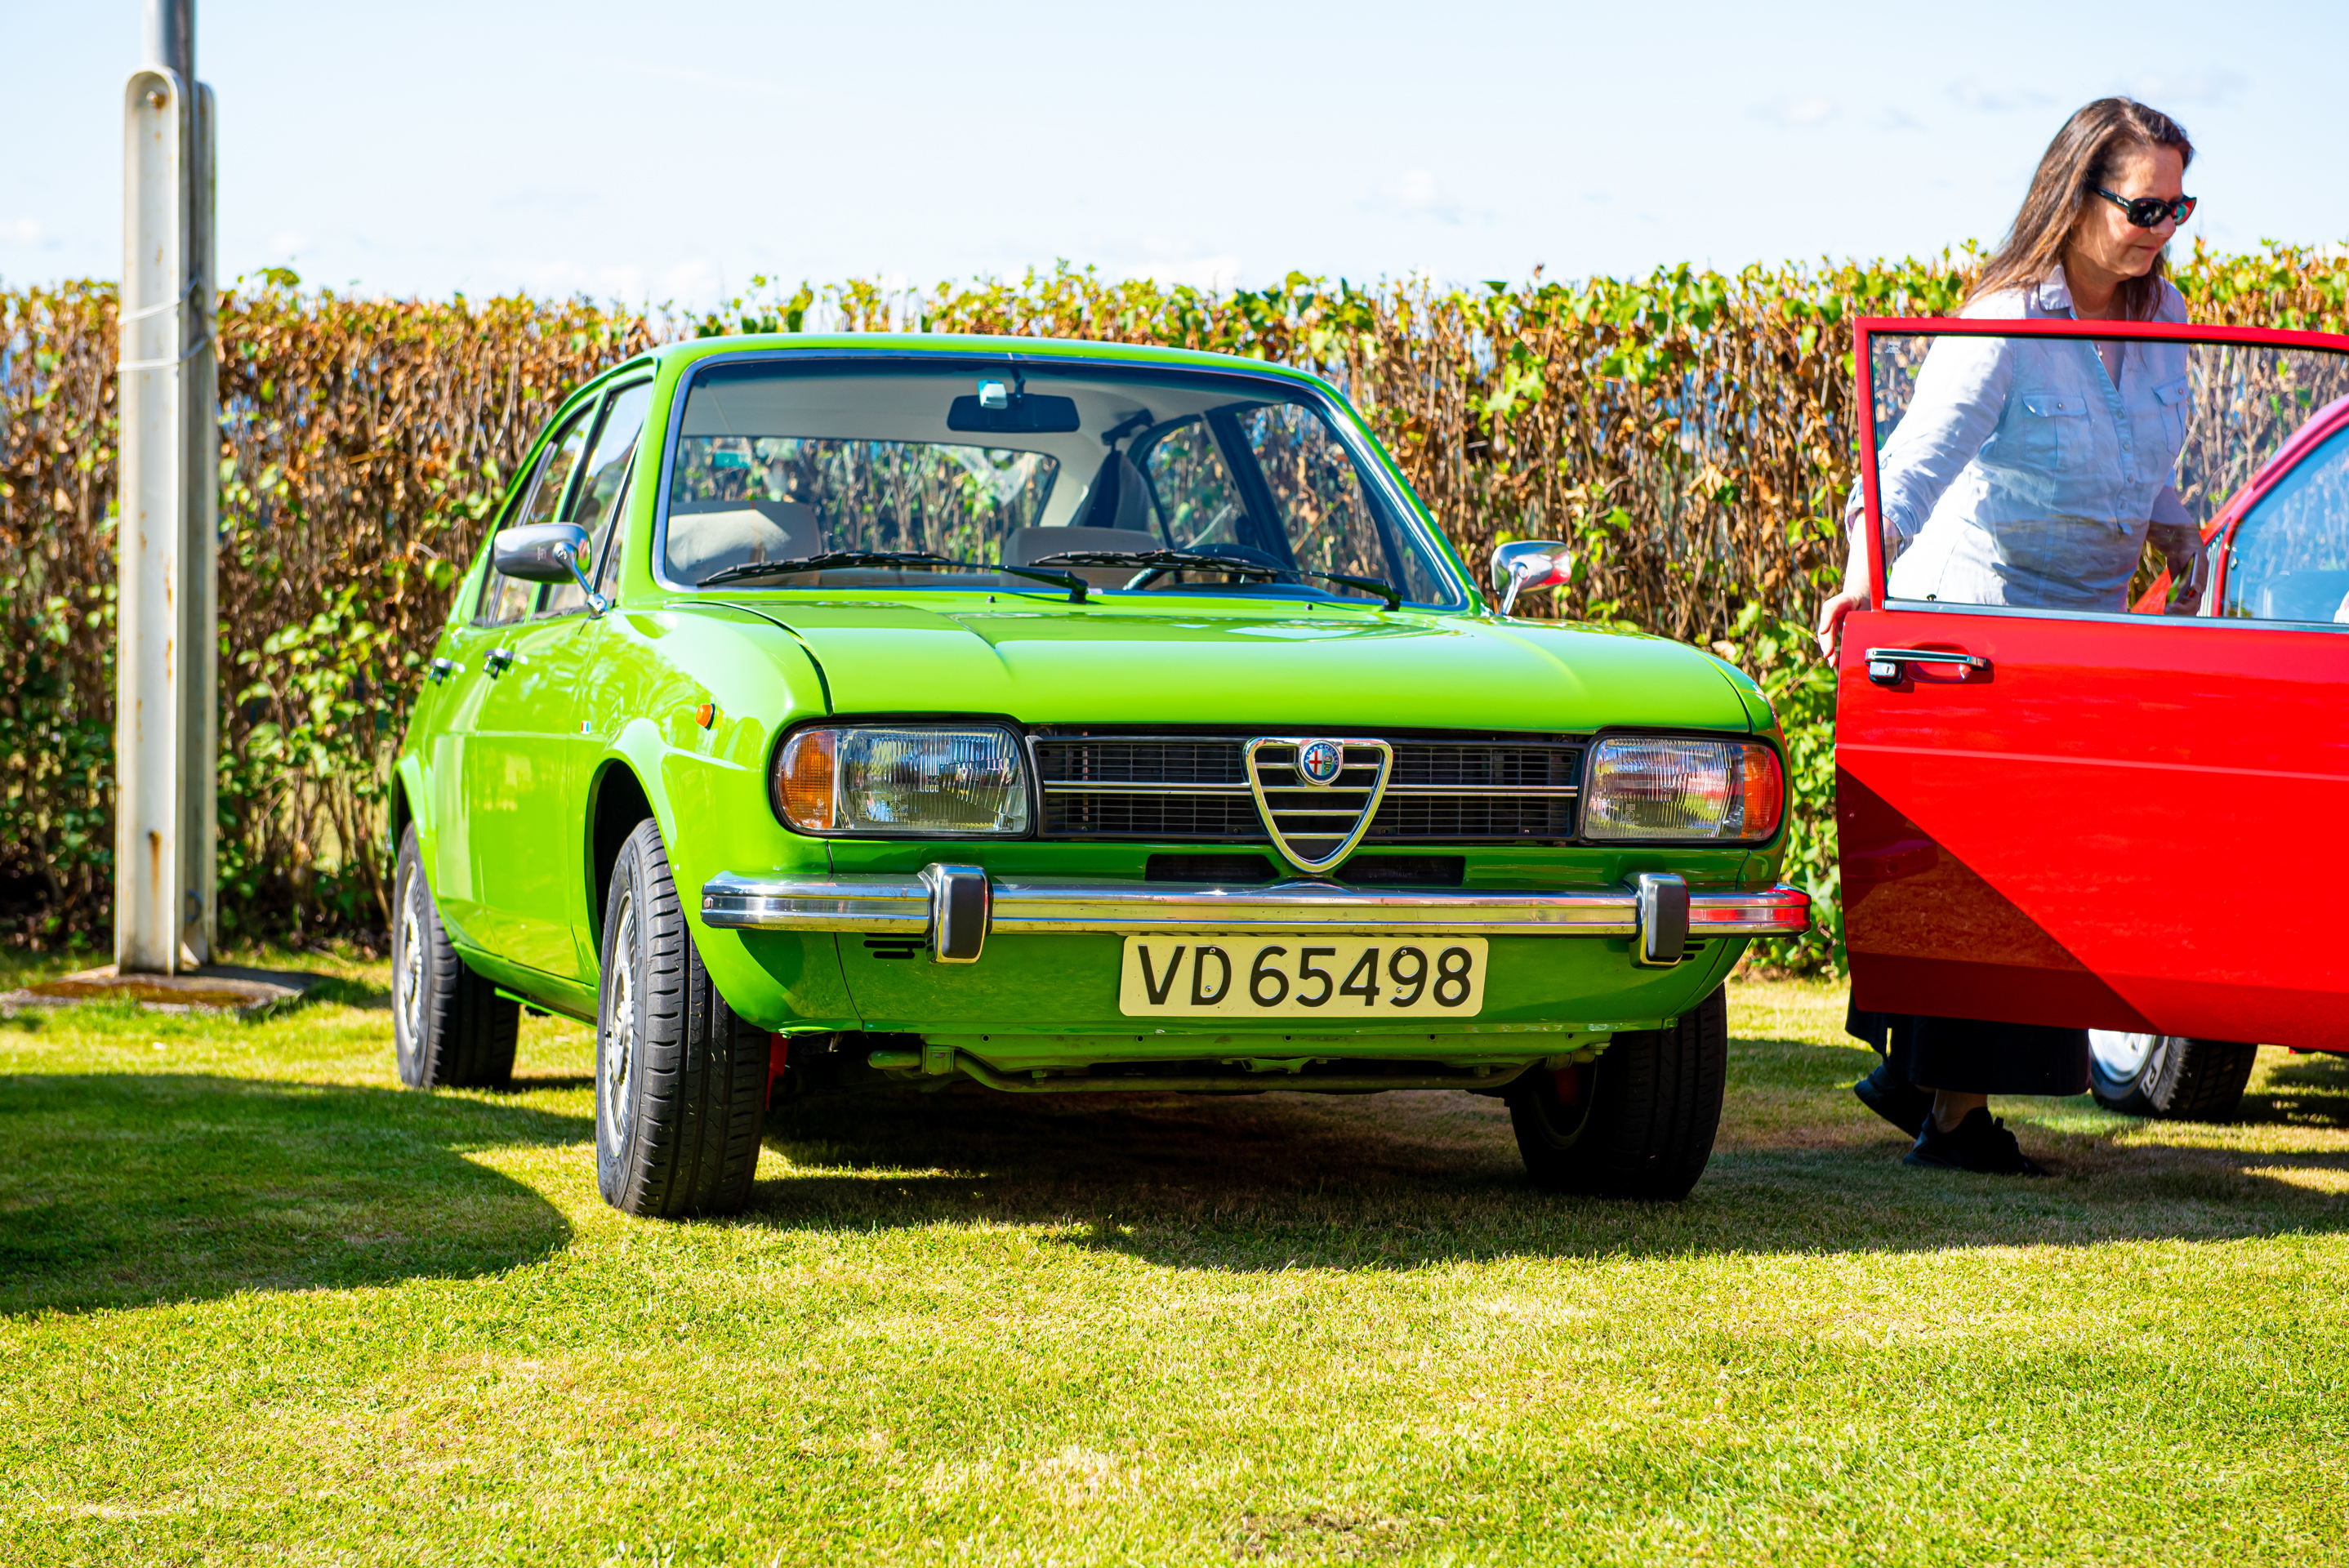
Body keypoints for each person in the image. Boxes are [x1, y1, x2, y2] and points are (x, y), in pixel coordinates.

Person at [1815, 97, 2205, 1175]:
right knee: (1996, 876)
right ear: (2078, 196)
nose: (2161, 228)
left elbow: (2140, 457)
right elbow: (1910, 468)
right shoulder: (2005, 316)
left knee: (2055, 869)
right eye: (2143, 206)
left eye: (2177, 208)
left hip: (2085, 639)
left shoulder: (2167, 316)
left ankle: (1916, 1077)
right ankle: (1953, 1121)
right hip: (1973, 634)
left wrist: (2181, 529)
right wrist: (1862, 582)